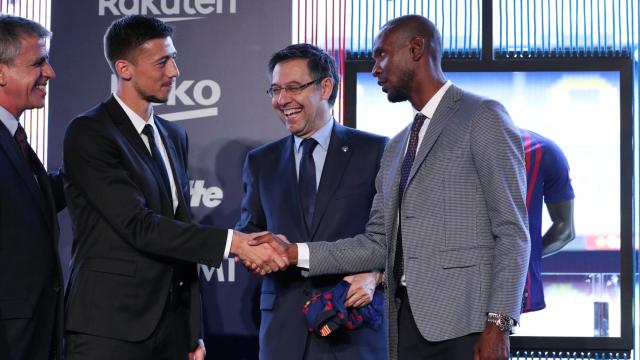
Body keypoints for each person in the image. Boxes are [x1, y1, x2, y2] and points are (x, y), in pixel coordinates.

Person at [253, 15, 530, 360]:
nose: (375, 69)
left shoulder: (481, 115)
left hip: (467, 328)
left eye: (381, 55)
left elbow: (512, 231)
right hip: (404, 331)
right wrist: (294, 253)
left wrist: (498, 324)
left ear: (416, 49)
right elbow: (376, 243)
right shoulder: (398, 145)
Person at [62, 15, 286, 360]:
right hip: (108, 329)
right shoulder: (90, 132)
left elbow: (179, 231)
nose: (175, 72)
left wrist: (191, 330)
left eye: (174, 58)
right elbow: (139, 225)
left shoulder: (173, 135)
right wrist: (235, 243)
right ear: (124, 68)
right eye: (162, 61)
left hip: (170, 328)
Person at [236, 43, 388, 360]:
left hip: (352, 329)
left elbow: (393, 239)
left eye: (293, 88)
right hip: (283, 333)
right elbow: (250, 229)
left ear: (326, 87)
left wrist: (375, 275)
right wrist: (253, 249)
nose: (282, 100)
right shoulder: (261, 162)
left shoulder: (375, 151)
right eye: (275, 90)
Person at [0, 15, 65, 360]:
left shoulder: (16, 141)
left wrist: (90, 163)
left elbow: (28, 206)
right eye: (38, 62)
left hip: (36, 335)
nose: (50, 72)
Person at [520, 129, 575, 313]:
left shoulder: (542, 150)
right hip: (452, 290)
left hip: (509, 293)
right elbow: (565, 230)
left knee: (499, 330)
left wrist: (517, 258)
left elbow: (565, 230)